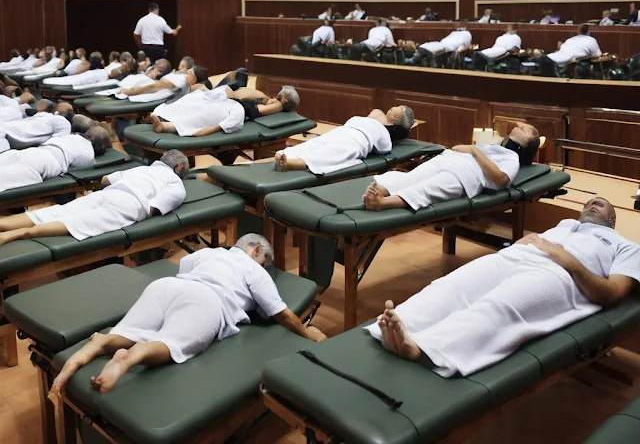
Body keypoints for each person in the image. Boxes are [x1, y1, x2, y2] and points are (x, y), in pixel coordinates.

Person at [367, 197, 640, 377]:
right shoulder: (566, 224)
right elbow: (537, 241)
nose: (592, 205)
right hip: (517, 256)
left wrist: (569, 261)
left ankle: (424, 349)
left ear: (612, 220)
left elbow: (612, 293)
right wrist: (524, 243)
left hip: (560, 274)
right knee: (452, 285)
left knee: (498, 306)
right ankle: (399, 324)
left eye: (600, 205)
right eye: (589, 203)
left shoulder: (625, 246)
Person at [50, 234, 326, 395]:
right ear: (256, 250)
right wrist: (307, 332)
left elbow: (184, 269)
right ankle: (129, 358)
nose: (264, 266)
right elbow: (280, 313)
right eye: (265, 261)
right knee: (171, 344)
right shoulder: (254, 270)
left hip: (167, 287)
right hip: (207, 300)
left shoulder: (209, 252)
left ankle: (102, 342)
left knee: (127, 332)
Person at [0, 149, 188, 247]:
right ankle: (19, 234)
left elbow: (105, 180)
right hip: (129, 204)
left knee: (59, 211)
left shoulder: (142, 168)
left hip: (109, 192)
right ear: (179, 167)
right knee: (76, 223)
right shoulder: (176, 183)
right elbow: (154, 208)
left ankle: (5, 223)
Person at [363, 122, 539, 211]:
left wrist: (474, 150)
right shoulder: (494, 146)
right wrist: (472, 150)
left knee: (425, 190)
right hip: (449, 160)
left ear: (529, 139)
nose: (518, 125)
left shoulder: (511, 157)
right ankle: (381, 189)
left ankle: (382, 203)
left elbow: (501, 179)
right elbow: (456, 148)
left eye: (524, 128)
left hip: (464, 176)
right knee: (409, 178)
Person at [271, 106, 415, 174]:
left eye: (397, 108)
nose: (393, 107)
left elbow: (383, 149)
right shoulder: (377, 116)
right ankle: (286, 154)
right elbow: (376, 112)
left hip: (357, 140)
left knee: (329, 153)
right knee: (315, 143)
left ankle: (293, 164)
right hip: (344, 131)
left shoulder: (385, 135)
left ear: (397, 117)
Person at [0, 127, 110, 193]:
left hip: (30, 152)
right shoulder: (88, 153)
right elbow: (79, 171)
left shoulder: (68, 136)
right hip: (46, 161)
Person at [149, 86, 246, 137]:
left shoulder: (238, 109)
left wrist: (200, 132)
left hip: (212, 114)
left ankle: (164, 126)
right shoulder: (222, 94)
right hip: (205, 102)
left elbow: (220, 126)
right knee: (188, 101)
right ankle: (159, 114)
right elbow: (205, 93)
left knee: (197, 118)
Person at [1, 102, 73, 150]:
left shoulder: (57, 120)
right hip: (7, 133)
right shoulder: (58, 119)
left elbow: (56, 143)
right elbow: (58, 143)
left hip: (7, 133)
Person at [119, 65, 208, 103]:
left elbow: (153, 87)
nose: (186, 72)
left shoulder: (180, 81)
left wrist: (130, 92)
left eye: (189, 72)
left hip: (146, 94)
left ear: (194, 78)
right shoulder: (184, 80)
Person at [407, 28, 472, 66]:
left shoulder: (462, 36)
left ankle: (411, 60)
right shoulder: (465, 36)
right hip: (438, 49)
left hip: (434, 48)